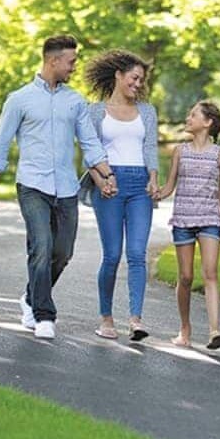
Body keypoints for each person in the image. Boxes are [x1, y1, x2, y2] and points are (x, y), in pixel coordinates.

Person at [0, 35, 116, 340]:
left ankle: (31, 296)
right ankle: (44, 315)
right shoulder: (20, 99)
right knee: (40, 246)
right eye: (71, 61)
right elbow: (0, 145)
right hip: (32, 185)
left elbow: (90, 143)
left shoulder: (75, 101)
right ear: (53, 60)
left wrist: (107, 175)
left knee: (62, 252)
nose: (74, 67)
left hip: (66, 187)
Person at [82, 50, 160, 341]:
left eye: (141, 80)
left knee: (137, 254)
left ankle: (136, 320)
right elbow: (90, 154)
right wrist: (101, 182)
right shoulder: (94, 111)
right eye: (133, 77)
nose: (138, 84)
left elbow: (150, 148)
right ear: (118, 74)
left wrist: (153, 180)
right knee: (112, 255)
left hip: (139, 185)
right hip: (109, 184)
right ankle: (106, 318)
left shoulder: (148, 112)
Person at [157, 100, 220, 350]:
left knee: (210, 273)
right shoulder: (180, 151)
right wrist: (154, 193)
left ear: (208, 122)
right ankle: (185, 329)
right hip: (183, 220)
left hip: (210, 220)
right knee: (186, 276)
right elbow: (170, 186)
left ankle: (214, 331)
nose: (188, 119)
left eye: (193, 115)